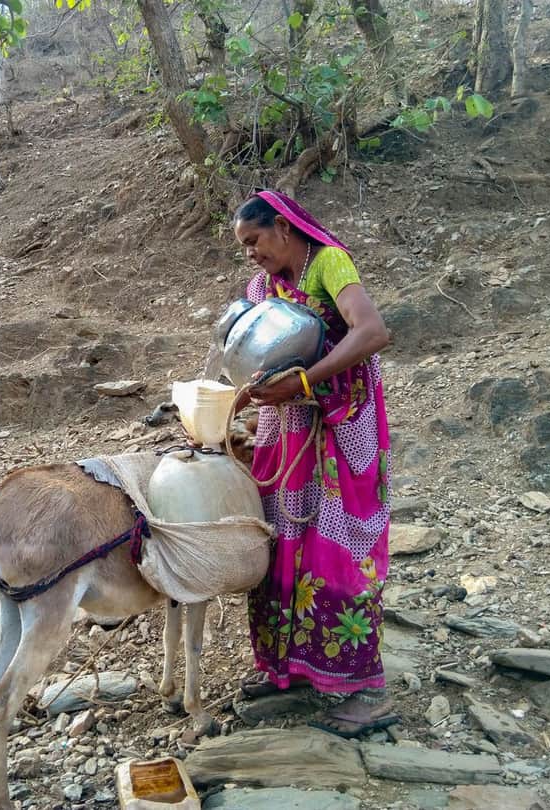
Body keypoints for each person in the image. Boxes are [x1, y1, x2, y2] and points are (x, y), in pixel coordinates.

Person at [232, 189, 395, 737]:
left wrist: (304, 381)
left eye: (255, 241)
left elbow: (373, 333)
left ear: (282, 227)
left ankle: (365, 689)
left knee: (336, 549)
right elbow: (255, 354)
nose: (251, 254)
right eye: (245, 247)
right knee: (281, 545)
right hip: (288, 431)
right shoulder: (265, 287)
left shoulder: (329, 263)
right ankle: (293, 670)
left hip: (341, 426)